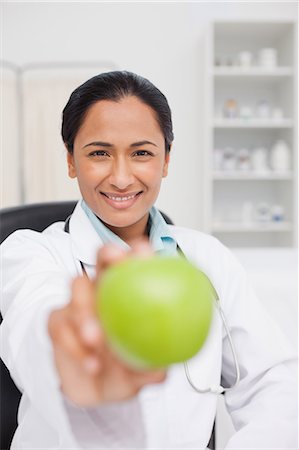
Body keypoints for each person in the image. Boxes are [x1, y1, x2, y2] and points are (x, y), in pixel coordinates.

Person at [1, 71, 297, 450]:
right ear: (71, 160)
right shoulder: (29, 253)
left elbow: (272, 383)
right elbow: (35, 324)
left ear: (166, 160)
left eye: (141, 153)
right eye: (99, 153)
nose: (122, 178)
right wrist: (69, 353)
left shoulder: (207, 258)